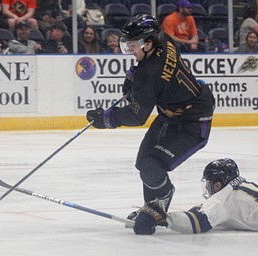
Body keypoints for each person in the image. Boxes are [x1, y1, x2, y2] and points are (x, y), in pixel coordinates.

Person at [86, 14, 215, 233]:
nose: (130, 51)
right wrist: (134, 77)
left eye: (133, 45)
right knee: (143, 161)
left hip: (193, 120)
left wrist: (108, 118)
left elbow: (137, 116)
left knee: (151, 166)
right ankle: (151, 205)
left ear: (148, 43)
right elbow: (151, 76)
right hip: (171, 115)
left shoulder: (150, 75)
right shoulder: (163, 40)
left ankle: (160, 203)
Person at [133, 158, 258, 234]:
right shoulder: (239, 185)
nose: (208, 188)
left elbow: (198, 221)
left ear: (218, 184)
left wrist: (163, 219)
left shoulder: (223, 200)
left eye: (209, 184)